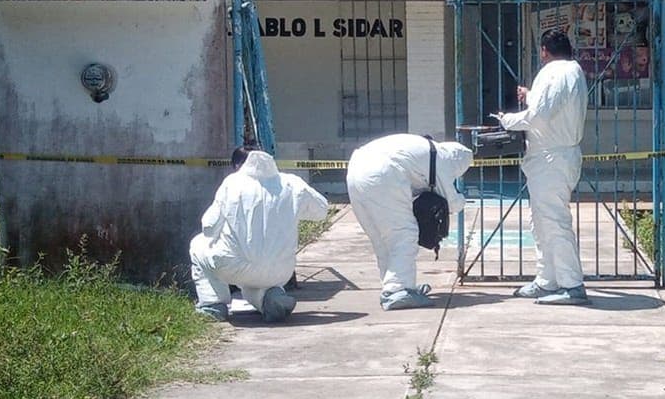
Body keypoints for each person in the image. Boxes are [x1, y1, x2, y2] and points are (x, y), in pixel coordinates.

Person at [496, 29, 590, 305]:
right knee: (541, 222)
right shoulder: (572, 71)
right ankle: (547, 279)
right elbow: (551, 105)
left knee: (553, 221)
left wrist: (508, 121)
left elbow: (539, 116)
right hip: (555, 158)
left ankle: (572, 285)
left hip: (551, 159)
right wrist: (531, 93)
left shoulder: (553, 72)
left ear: (544, 51)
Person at [190, 146, 329, 323]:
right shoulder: (292, 183)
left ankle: (213, 305)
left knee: (197, 245)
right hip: (280, 272)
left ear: (238, 165)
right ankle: (271, 299)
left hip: (235, 267)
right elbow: (321, 210)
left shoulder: (232, 183)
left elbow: (208, 228)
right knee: (254, 277)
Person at [346, 134, 473, 310]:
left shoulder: (425, 150)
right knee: (404, 235)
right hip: (382, 172)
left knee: (381, 238)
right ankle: (398, 290)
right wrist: (463, 198)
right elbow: (451, 203)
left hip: (356, 168)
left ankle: (392, 285)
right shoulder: (443, 160)